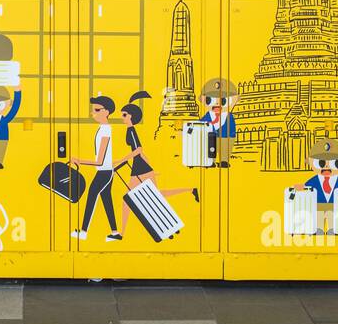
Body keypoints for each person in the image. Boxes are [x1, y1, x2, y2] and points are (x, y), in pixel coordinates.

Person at [115, 91, 198, 239]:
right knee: (156, 195)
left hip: (139, 169)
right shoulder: (131, 131)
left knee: (129, 200)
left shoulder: (130, 131)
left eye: (124, 115)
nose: (122, 118)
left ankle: (122, 233)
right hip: (141, 167)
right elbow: (141, 152)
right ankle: (189, 192)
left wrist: (120, 161)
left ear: (131, 117)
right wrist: (151, 168)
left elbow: (138, 150)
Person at [71, 95, 118, 241]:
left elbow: (99, 161)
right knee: (106, 199)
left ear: (107, 112)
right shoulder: (103, 129)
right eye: (93, 110)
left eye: (97, 110)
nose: (94, 113)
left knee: (91, 197)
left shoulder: (105, 130)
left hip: (104, 172)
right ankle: (115, 232)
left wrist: (80, 161)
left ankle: (83, 232)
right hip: (106, 171)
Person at [292, 138, 338, 235]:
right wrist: (302, 187)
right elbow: (307, 186)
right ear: (309, 162)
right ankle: (319, 229)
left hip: (333, 204)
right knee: (319, 216)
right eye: (321, 163)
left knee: (331, 216)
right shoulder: (315, 180)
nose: (326, 167)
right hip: (318, 204)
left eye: (335, 163)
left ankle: (332, 229)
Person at [197, 77, 238, 167]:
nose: (217, 104)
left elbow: (232, 129)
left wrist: (231, 136)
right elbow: (200, 124)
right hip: (211, 137)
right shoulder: (208, 116)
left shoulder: (229, 116)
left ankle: (224, 161)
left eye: (223, 101)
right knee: (210, 148)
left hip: (225, 137)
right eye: (210, 100)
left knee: (225, 147)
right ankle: (211, 161)